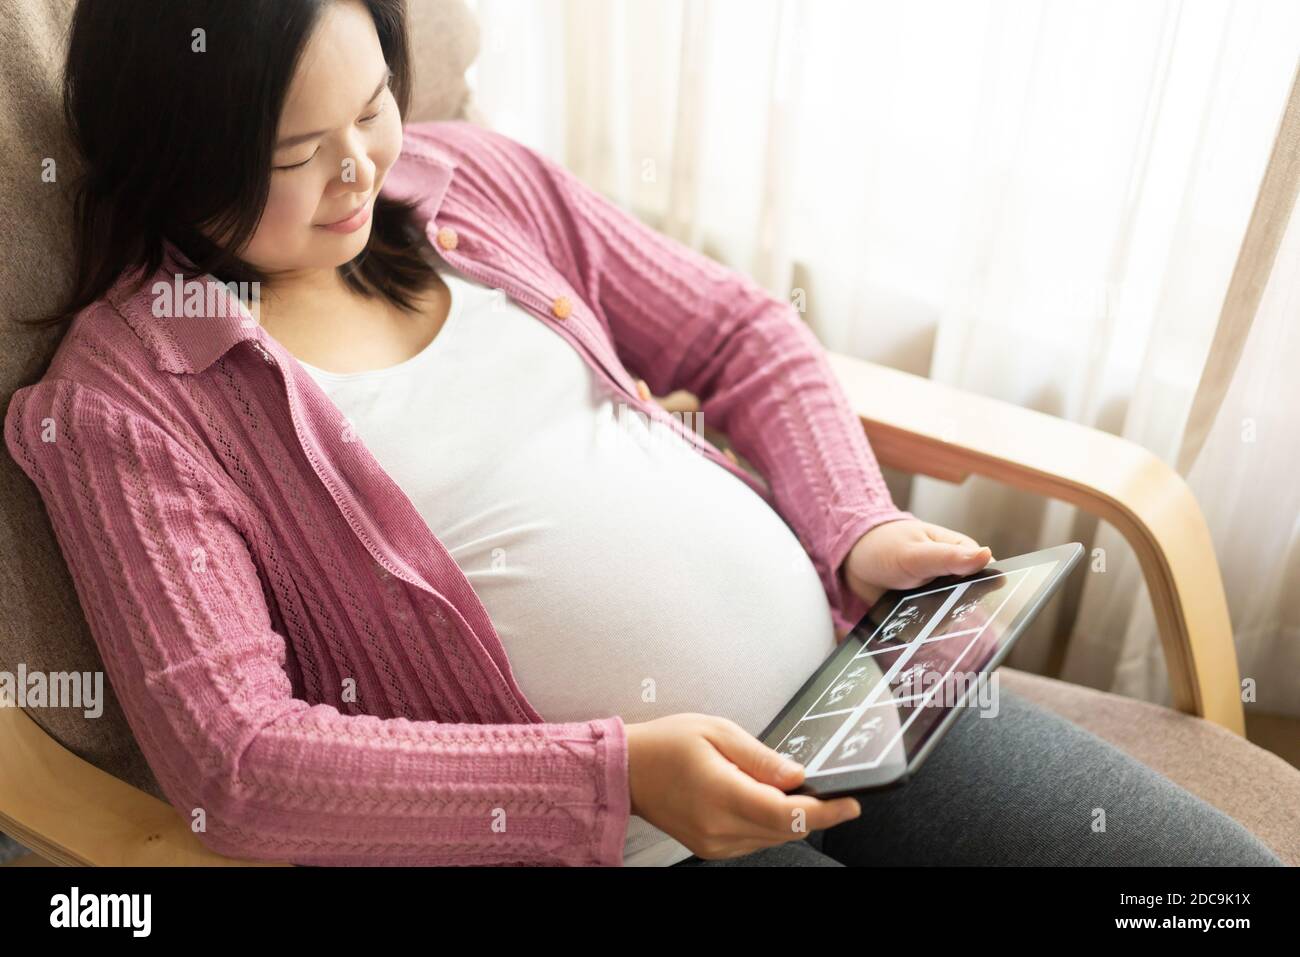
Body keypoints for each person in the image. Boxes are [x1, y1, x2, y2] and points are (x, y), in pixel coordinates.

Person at [6, 0, 1279, 867]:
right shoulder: (126, 406)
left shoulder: (464, 181)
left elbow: (743, 333)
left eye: (373, 106)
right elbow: (238, 758)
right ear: (175, 158)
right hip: (625, 846)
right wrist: (610, 781)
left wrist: (854, 527)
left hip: (849, 698)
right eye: (295, 152)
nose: (360, 171)